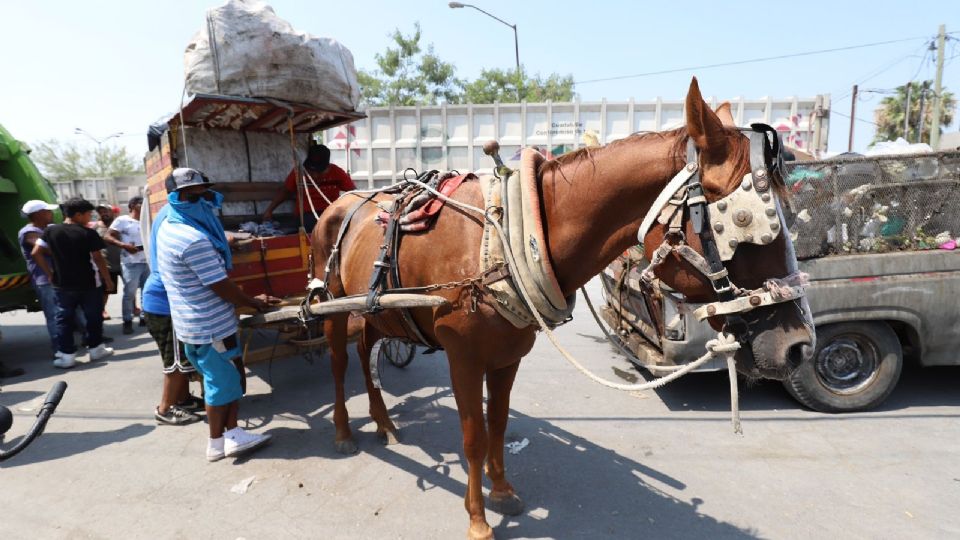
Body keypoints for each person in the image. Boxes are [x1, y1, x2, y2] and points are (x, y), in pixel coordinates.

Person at [157, 168, 278, 460]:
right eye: (193, 195)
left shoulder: (170, 227)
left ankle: (232, 433)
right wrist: (254, 302)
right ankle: (215, 443)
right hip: (210, 326)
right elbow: (221, 286)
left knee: (229, 379)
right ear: (177, 198)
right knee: (220, 385)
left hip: (197, 324)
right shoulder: (191, 239)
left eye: (204, 193)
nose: (202, 199)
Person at [32, 197, 115, 368]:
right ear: (78, 215)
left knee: (64, 319)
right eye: (88, 214)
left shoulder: (50, 231)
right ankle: (95, 349)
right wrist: (107, 280)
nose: (89, 218)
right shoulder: (88, 233)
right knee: (93, 317)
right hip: (89, 283)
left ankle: (66, 355)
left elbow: (36, 252)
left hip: (62, 284)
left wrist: (50, 273)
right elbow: (98, 258)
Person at [143, 203, 203, 426]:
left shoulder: (169, 213)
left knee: (179, 358)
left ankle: (183, 399)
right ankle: (165, 409)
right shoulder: (175, 218)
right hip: (165, 303)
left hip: (161, 299)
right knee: (176, 362)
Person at [261, 144, 356, 233]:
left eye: (319, 171)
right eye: (312, 170)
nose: (314, 175)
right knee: (315, 224)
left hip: (330, 212)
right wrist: (269, 211)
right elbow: (285, 191)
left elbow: (353, 192)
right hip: (306, 215)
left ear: (327, 166)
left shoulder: (337, 172)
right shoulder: (299, 172)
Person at [106, 196, 149, 334]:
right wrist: (124, 245)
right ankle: (127, 320)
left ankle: (144, 318)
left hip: (147, 261)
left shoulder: (146, 220)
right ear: (133, 205)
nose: (143, 205)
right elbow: (108, 236)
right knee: (129, 293)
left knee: (146, 291)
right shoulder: (122, 220)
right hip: (131, 262)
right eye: (140, 203)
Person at [95, 204, 122, 320]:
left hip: (123, 261)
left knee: (130, 287)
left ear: (112, 212)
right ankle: (102, 310)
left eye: (106, 211)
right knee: (106, 289)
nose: (103, 213)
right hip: (107, 263)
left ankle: (134, 307)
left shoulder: (119, 224)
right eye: (101, 212)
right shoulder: (95, 227)